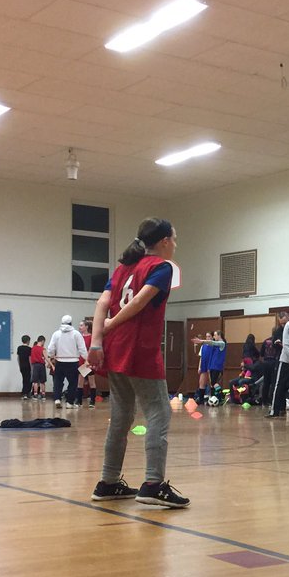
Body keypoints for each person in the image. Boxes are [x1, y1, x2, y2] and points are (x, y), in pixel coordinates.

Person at [88, 217, 189, 508]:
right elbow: (138, 303)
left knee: (121, 417)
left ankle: (107, 482)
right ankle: (153, 484)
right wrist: (107, 328)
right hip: (140, 350)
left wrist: (98, 340)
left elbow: (102, 304)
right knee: (159, 414)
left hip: (115, 350)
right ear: (164, 242)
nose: (176, 244)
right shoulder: (162, 267)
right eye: (175, 238)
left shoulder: (122, 269)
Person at [48, 314, 87, 408]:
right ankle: (70, 402)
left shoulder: (56, 334)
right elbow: (82, 348)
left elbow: (50, 348)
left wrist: (51, 356)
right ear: (71, 323)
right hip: (73, 362)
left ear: (61, 322)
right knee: (73, 383)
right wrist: (87, 358)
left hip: (60, 361)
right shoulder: (76, 334)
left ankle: (57, 399)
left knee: (58, 381)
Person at [192, 330, 226, 403]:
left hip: (216, 366)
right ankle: (215, 397)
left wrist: (201, 341)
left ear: (219, 335)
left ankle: (221, 395)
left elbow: (212, 342)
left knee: (213, 383)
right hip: (212, 366)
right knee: (209, 382)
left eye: (214, 335)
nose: (214, 337)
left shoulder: (221, 343)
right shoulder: (210, 345)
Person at [77, 321, 96, 407]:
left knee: (91, 382)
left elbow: (91, 349)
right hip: (80, 361)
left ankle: (92, 401)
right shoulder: (78, 337)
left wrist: (87, 360)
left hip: (88, 362)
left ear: (87, 327)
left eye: (81, 325)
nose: (80, 327)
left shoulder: (91, 337)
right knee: (80, 382)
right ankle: (79, 401)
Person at [30, 335, 47, 400]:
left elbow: (31, 357)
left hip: (35, 365)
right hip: (41, 365)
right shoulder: (43, 349)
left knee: (35, 381)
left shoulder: (33, 348)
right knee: (42, 381)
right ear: (42, 341)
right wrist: (51, 364)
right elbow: (46, 358)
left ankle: (35, 394)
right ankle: (43, 395)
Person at [16, 334, 33, 399]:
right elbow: (29, 358)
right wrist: (31, 367)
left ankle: (24, 393)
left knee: (24, 379)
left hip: (22, 366)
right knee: (29, 380)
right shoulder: (29, 349)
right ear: (28, 341)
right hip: (28, 366)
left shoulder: (19, 348)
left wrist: (19, 366)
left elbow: (18, 358)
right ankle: (26, 393)